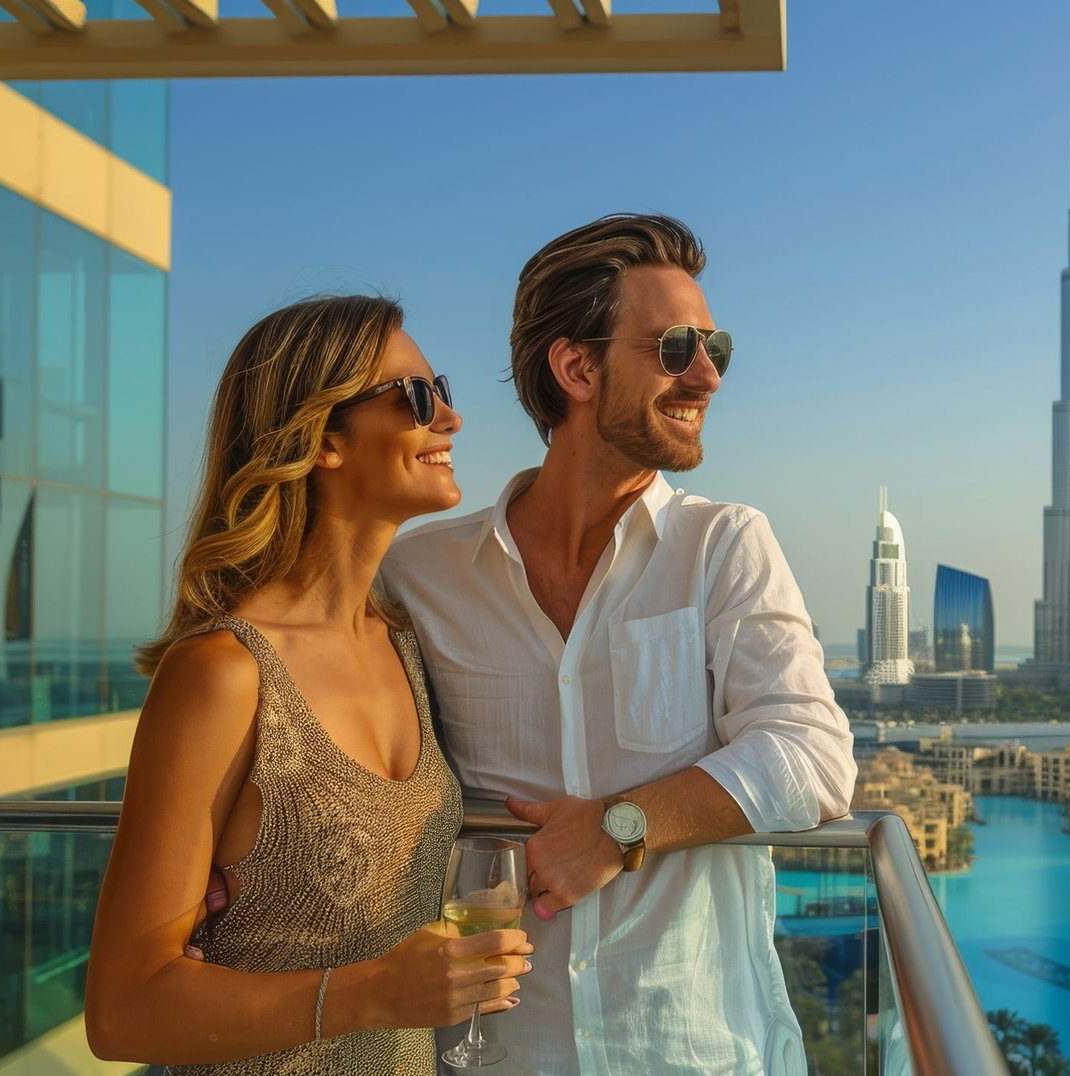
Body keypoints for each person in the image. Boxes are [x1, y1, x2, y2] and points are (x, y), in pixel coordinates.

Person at [382, 214, 857, 1073]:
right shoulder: (420, 575)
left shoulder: (725, 546)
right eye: (676, 347)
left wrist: (620, 828)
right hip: (496, 1056)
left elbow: (815, 759)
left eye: (716, 346)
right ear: (578, 367)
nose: (708, 374)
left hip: (694, 1051)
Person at [84, 295, 532, 1073]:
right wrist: (378, 995)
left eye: (445, 391)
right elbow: (123, 1013)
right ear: (323, 439)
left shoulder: (407, 647)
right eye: (418, 398)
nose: (451, 420)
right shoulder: (222, 674)